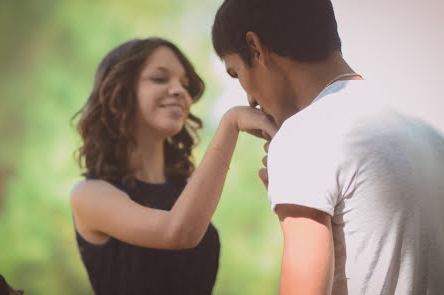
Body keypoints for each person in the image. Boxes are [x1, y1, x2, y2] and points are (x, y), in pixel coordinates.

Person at [212, 0, 444, 294]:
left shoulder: (303, 137)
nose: (249, 100)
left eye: (236, 73)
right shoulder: (428, 132)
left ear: (256, 48)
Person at [70, 37, 277, 295]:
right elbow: (176, 232)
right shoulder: (90, 195)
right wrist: (231, 123)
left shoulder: (189, 192)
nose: (180, 91)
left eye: (185, 84)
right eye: (160, 79)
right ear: (120, 91)